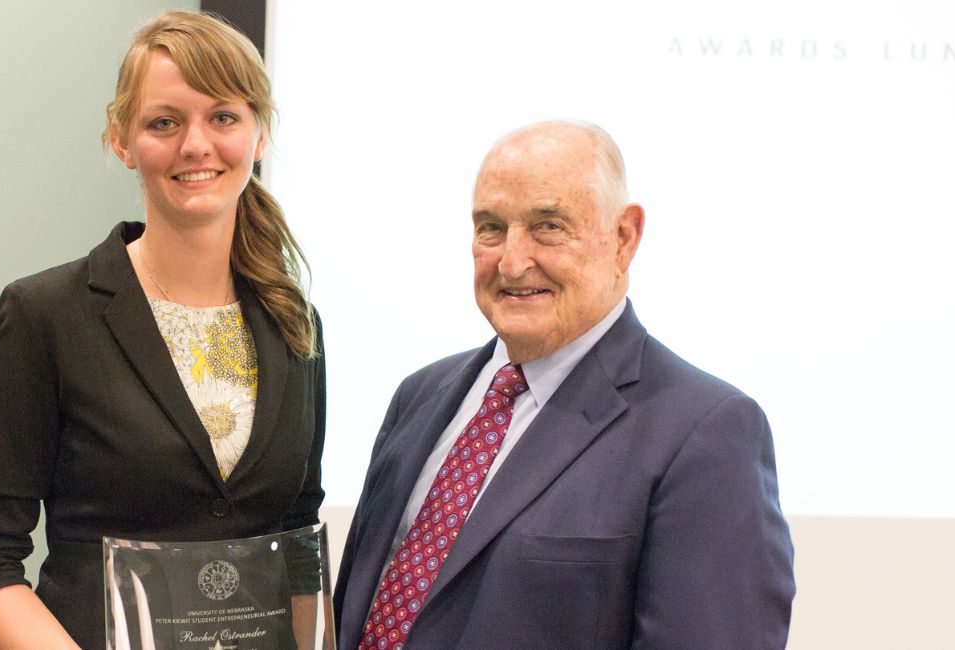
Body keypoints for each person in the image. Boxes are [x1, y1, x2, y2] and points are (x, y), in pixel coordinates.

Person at [0, 11, 326, 649]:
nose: (196, 145)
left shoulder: (296, 323)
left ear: (259, 134)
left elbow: (297, 533)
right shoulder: (46, 315)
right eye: (164, 122)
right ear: (122, 140)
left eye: (223, 117)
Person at [332, 121, 795, 649]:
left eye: (548, 225)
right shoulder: (419, 396)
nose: (511, 260)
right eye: (490, 227)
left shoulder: (705, 434)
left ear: (624, 237)